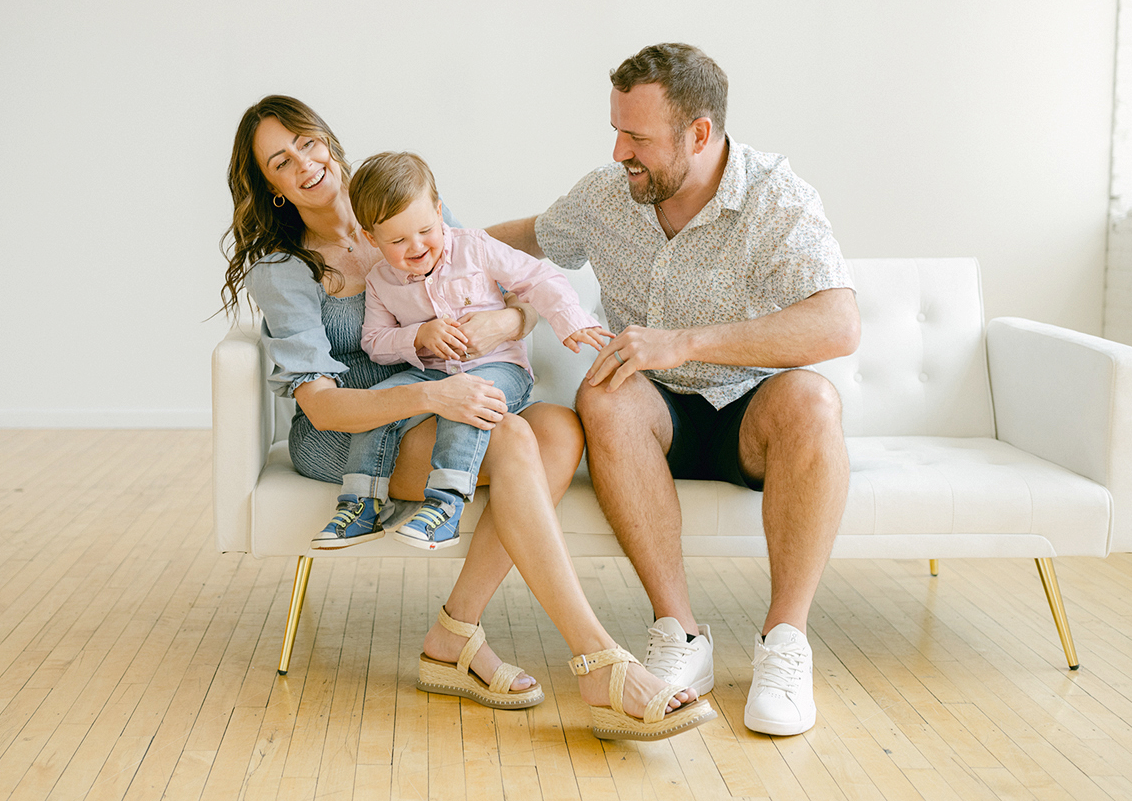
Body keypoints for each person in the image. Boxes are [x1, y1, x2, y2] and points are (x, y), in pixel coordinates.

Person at [220, 95, 716, 740]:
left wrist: (505, 323)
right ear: (274, 190)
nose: (305, 165)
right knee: (509, 434)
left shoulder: (406, 205)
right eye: (281, 163)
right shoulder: (284, 271)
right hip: (354, 430)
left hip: (446, 397)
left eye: (308, 143)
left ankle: (453, 634)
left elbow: (510, 287)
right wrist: (431, 396)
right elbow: (319, 403)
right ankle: (599, 662)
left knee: (560, 431)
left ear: (330, 142)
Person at [488, 43, 860, 736]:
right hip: (651, 416)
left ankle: (785, 642)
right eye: (616, 129)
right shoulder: (607, 194)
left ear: (699, 133)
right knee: (603, 392)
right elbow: (526, 241)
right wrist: (420, 244)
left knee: (814, 399)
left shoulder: (775, 196)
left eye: (637, 136)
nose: (620, 149)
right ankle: (681, 635)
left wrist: (686, 341)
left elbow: (839, 323)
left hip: (751, 411)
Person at [314, 150, 609, 551]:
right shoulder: (381, 281)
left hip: (500, 369)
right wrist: (417, 336)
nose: (416, 246)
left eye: (425, 230)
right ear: (371, 239)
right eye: (398, 240)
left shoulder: (475, 248)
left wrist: (570, 320)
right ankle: (360, 505)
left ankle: (446, 505)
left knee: (466, 400)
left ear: (439, 211)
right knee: (379, 401)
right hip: (433, 374)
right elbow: (375, 344)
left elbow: (537, 278)